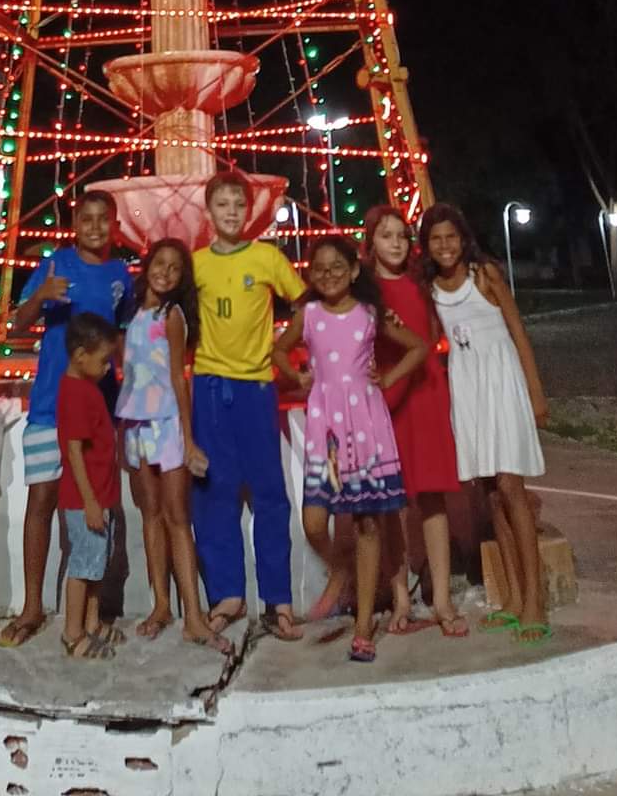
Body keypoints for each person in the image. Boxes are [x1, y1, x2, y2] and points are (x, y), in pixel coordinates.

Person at [273, 234, 426, 662]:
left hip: (366, 421)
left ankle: (362, 627)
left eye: (337, 268)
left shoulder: (370, 314)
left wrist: (389, 381)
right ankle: (342, 572)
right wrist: (299, 376)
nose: (328, 276)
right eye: (319, 269)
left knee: (368, 523)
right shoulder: (309, 314)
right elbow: (280, 351)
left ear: (354, 271)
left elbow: (417, 346)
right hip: (327, 426)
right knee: (315, 521)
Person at [0, 191, 131, 647]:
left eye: (103, 220)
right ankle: (32, 606)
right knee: (43, 501)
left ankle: (89, 610)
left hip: (99, 411)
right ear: (74, 224)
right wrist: (41, 296)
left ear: (114, 225)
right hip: (48, 407)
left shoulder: (120, 276)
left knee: (92, 507)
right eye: (86, 219)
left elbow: (125, 337)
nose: (95, 227)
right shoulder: (55, 264)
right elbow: (17, 324)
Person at [419, 202, 551, 645]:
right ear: (428, 245)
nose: (444, 246)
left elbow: (518, 331)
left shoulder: (484, 276)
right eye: (436, 239)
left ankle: (536, 600)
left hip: (502, 381)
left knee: (512, 488)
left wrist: (535, 391)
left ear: (463, 238)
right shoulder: (432, 288)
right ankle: (512, 598)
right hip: (468, 387)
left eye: (451, 237)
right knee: (490, 496)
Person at [190, 173, 306, 641]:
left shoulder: (267, 257)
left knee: (269, 495)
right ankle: (228, 595)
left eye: (240, 203)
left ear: (250, 211)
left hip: (257, 389)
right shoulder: (195, 264)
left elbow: (304, 306)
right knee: (214, 496)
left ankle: (278, 598)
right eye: (223, 204)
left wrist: (283, 350)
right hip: (210, 388)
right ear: (209, 212)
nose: (232, 211)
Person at [116, 239, 230, 651]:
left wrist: (188, 435)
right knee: (150, 515)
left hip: (166, 424)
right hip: (133, 426)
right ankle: (161, 604)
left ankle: (194, 616)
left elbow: (180, 376)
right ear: (146, 267)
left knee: (177, 516)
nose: (165, 272)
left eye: (174, 268)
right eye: (159, 264)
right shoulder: (129, 314)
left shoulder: (173, 316)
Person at [363, 204, 467, 638]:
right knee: (392, 503)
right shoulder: (366, 293)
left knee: (432, 499)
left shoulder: (421, 286)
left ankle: (441, 598)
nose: (395, 243)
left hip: (424, 394)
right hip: (388, 400)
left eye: (402, 236)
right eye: (386, 236)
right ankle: (400, 596)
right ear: (370, 242)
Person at [57, 311, 122, 660]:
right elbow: (74, 452)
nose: (109, 367)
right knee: (82, 566)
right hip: (85, 500)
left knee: (96, 563)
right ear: (81, 356)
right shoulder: (76, 395)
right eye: (103, 360)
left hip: (99, 495)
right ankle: (72, 632)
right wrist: (90, 502)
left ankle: (93, 621)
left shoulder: (86, 388)